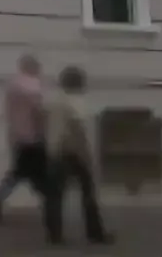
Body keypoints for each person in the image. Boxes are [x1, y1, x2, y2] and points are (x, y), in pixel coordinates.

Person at [42, 64, 112, 245]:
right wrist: (87, 155)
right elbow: (77, 129)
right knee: (88, 193)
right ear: (79, 83)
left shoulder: (53, 101)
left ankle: (54, 235)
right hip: (72, 152)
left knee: (55, 195)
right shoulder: (76, 101)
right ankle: (95, 233)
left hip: (54, 151)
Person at [0, 53, 47, 222]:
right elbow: (38, 111)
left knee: (22, 172)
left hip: (16, 136)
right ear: (33, 67)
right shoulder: (33, 85)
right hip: (32, 137)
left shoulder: (13, 85)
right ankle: (50, 205)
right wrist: (44, 132)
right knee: (37, 173)